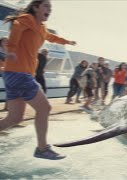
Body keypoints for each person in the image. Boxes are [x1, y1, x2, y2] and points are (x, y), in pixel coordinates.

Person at [0, 0, 76, 160]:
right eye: (46, 6)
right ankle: (42, 149)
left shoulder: (41, 28)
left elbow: (51, 37)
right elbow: (17, 26)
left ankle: (42, 148)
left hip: (14, 74)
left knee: (14, 118)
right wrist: (11, 50)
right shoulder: (28, 19)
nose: (49, 9)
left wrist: (67, 42)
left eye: (51, 7)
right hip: (20, 74)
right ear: (36, 7)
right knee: (45, 108)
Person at [0, 37, 8, 112]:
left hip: (6, 71)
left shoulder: (9, 51)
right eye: (4, 41)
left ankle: (6, 107)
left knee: (8, 88)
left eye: (6, 41)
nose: (5, 42)